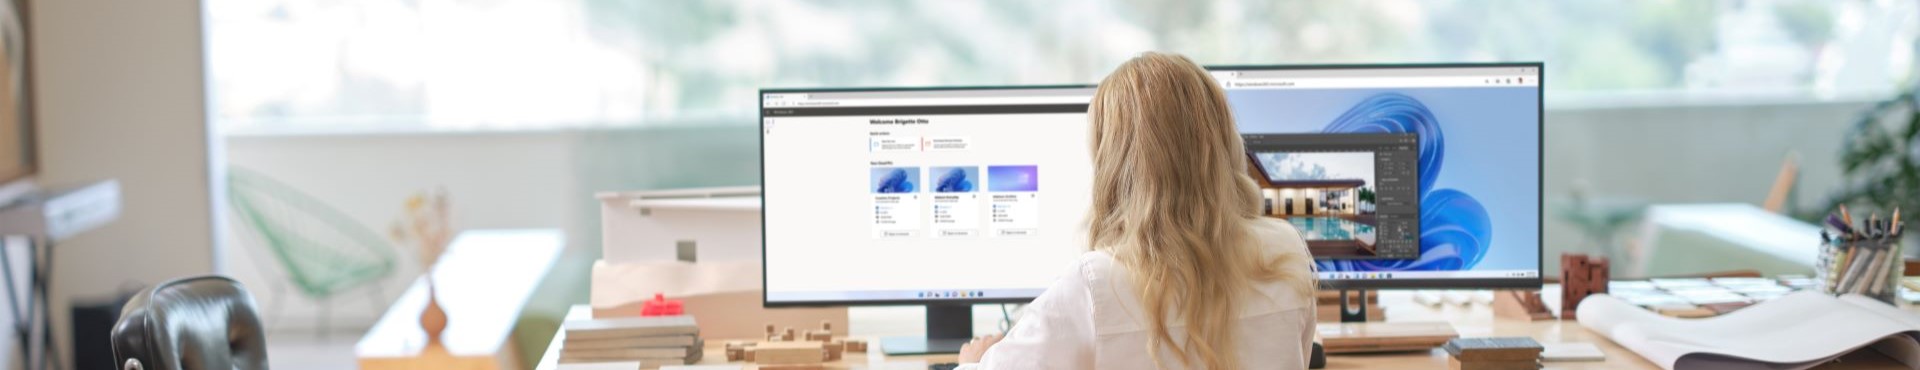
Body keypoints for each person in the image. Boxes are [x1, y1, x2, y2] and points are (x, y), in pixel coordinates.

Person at [954, 52, 1318, 370]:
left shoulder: (1097, 282)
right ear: (1223, 142)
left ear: (1112, 161)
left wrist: (974, 362)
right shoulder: (1284, 252)